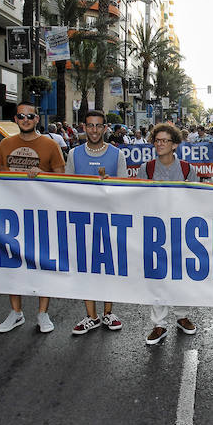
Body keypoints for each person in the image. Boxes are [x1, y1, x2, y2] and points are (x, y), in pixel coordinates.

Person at [0, 101, 66, 334]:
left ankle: (43, 313)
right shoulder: (6, 143)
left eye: (30, 116)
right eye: (21, 116)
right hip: (11, 213)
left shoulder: (50, 145)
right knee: (12, 263)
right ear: (16, 119)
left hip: (41, 213)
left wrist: (44, 174)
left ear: (37, 119)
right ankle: (16, 312)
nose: (26, 120)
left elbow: (62, 178)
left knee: (41, 263)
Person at [64, 110, 128, 335]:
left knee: (108, 267)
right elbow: (66, 186)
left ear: (105, 128)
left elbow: (125, 188)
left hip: (108, 219)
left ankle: (108, 312)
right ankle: (91, 315)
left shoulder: (116, 154)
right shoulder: (74, 154)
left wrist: (111, 184)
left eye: (98, 126)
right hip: (81, 220)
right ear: (84, 127)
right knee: (85, 268)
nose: (93, 130)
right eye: (90, 125)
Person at [139, 123, 199, 344]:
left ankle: (181, 315)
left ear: (174, 144)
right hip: (155, 229)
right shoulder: (146, 169)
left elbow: (196, 199)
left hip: (181, 229)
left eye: (165, 141)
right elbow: (138, 198)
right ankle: (159, 324)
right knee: (158, 275)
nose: (160, 144)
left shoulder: (186, 169)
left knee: (180, 274)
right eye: (157, 140)